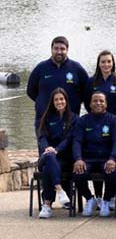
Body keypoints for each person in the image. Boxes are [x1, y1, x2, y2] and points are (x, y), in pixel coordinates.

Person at [72, 91, 116, 218]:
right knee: (78, 172)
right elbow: (77, 141)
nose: (98, 103)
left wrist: (113, 159)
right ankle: (90, 199)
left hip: (106, 158)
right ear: (90, 104)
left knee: (112, 173)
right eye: (95, 101)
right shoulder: (82, 121)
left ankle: (105, 201)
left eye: (101, 101)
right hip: (88, 158)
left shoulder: (114, 120)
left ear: (106, 104)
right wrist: (78, 159)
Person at [28, 36, 89, 124]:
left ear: (67, 50)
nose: (59, 52)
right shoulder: (41, 67)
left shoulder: (76, 68)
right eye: (56, 48)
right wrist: (43, 102)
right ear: (51, 49)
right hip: (44, 119)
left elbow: (87, 91)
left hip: (70, 119)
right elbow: (30, 91)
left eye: (62, 49)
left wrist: (75, 102)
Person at [35, 89, 74, 218]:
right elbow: (42, 137)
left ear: (66, 101)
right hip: (47, 156)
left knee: (47, 169)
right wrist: (48, 148)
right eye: (56, 99)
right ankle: (59, 189)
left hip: (64, 159)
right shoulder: (46, 118)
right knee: (49, 159)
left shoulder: (73, 118)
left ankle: (47, 205)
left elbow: (69, 139)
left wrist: (56, 149)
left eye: (61, 99)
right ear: (52, 102)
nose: (59, 102)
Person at [85, 50, 116, 118]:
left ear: (113, 63)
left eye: (109, 61)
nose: (106, 64)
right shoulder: (90, 82)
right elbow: (87, 103)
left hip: (113, 121)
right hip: (95, 120)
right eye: (103, 62)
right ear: (99, 64)